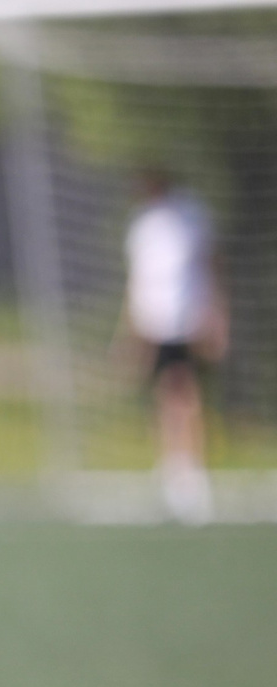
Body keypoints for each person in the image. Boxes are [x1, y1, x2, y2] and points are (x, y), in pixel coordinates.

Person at [120, 168, 225, 526]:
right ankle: (171, 468)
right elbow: (137, 280)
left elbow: (211, 266)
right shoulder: (142, 223)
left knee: (187, 392)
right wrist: (129, 329)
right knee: (164, 393)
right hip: (154, 320)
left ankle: (193, 471)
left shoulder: (191, 213)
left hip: (188, 317)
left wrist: (216, 314)